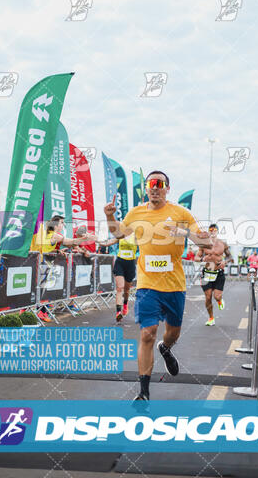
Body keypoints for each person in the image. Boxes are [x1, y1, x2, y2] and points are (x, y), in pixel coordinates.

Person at [104, 170, 211, 401]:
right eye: (150, 183)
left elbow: (207, 242)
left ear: (167, 188)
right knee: (146, 334)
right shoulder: (136, 212)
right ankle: (143, 392)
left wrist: (184, 232)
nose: (154, 187)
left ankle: (166, 347)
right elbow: (119, 233)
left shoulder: (181, 213)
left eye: (159, 183)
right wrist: (110, 217)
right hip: (147, 284)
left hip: (174, 285)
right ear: (146, 188)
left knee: (172, 333)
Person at [195, 223, 233, 326]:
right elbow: (196, 258)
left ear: (217, 231)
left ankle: (219, 300)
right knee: (208, 297)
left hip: (218, 273)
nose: (212, 231)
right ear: (208, 231)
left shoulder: (222, 243)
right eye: (210, 229)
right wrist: (202, 259)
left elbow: (230, 257)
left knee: (217, 296)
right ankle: (211, 318)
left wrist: (225, 261)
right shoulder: (203, 244)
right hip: (206, 273)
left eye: (214, 229)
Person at [102, 233, 138, 322]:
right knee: (119, 288)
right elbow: (108, 242)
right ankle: (118, 312)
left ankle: (125, 304)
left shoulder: (136, 236)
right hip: (120, 263)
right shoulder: (121, 235)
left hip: (130, 264)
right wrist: (96, 240)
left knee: (126, 290)